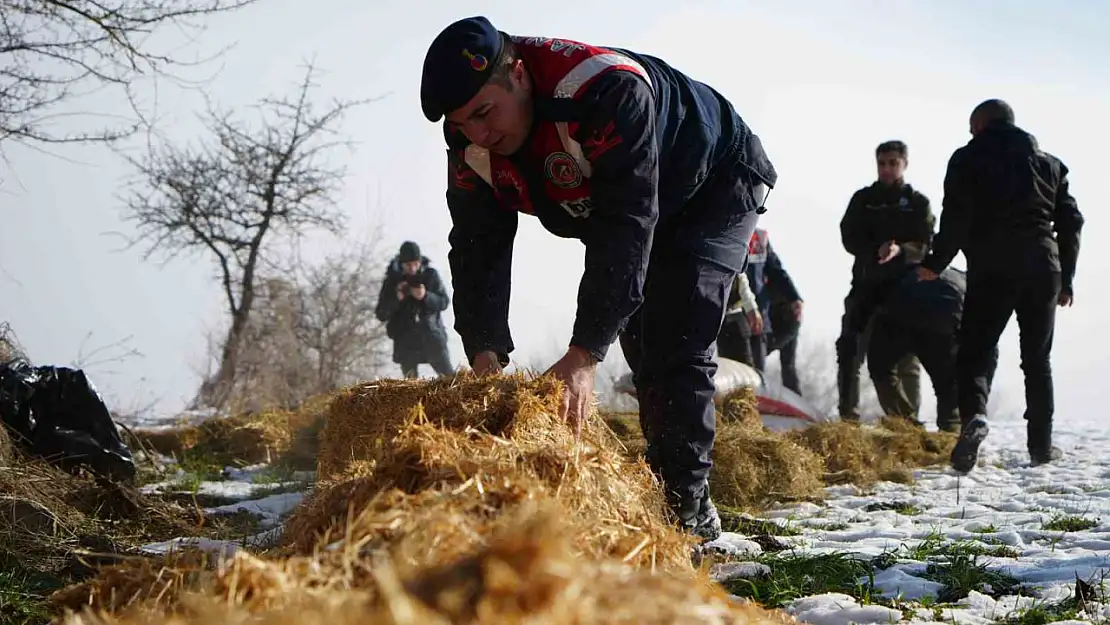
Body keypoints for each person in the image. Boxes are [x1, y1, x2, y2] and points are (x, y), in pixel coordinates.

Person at [420, 16, 778, 541]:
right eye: (462, 122)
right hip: (622, 204)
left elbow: (627, 224)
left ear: (519, 74)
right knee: (637, 341)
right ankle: (664, 490)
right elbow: (476, 244)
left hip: (711, 181)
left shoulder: (604, 90)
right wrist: (484, 350)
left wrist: (584, 353)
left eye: (485, 112)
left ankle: (687, 518)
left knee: (674, 331)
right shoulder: (468, 141)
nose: (479, 133)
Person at [918, 99, 1084, 473]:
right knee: (1038, 362)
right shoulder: (1050, 164)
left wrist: (934, 264)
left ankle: (975, 416)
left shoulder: (967, 158)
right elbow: (1072, 222)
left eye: (971, 126)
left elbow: (956, 218)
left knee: (974, 352)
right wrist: (1067, 276)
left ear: (981, 124)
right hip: (1044, 267)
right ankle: (1041, 447)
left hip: (993, 268)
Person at [837, 140, 934, 422]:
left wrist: (900, 251)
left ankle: (907, 422)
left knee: (905, 357)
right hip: (867, 284)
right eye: (882, 163)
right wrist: (874, 251)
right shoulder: (863, 199)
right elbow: (849, 236)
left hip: (904, 289)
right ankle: (848, 418)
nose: (887, 169)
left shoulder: (918, 203)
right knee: (850, 349)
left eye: (893, 163)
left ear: (904, 164)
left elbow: (926, 243)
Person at [867, 265, 998, 433]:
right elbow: (988, 352)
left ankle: (906, 425)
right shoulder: (969, 286)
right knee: (948, 386)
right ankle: (950, 433)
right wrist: (979, 401)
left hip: (904, 313)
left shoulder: (907, 273)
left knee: (881, 369)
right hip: (939, 320)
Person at [374, 241, 455, 379]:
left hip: (431, 336)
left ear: (420, 262)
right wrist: (397, 298)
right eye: (408, 265)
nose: (412, 269)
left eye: (415, 264)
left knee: (450, 379)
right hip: (405, 340)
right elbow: (381, 313)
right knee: (410, 386)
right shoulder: (392, 280)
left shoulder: (430, 275)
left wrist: (425, 296)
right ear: (401, 263)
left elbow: (444, 302)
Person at [718, 273, 761, 367]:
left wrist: (752, 310)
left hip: (736, 320)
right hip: (719, 321)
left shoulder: (735, 267)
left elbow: (744, 288)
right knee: (726, 365)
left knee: (746, 365)